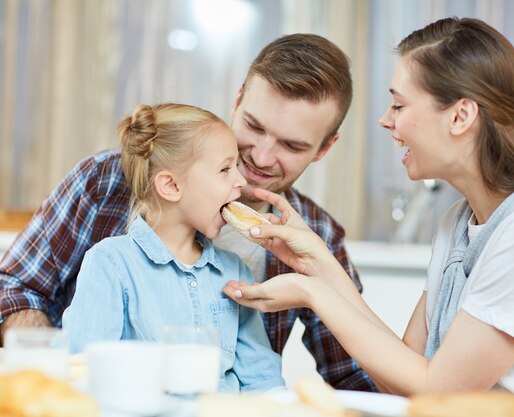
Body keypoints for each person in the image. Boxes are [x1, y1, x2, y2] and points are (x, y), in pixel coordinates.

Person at [223, 17, 514, 408]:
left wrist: (311, 291)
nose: (385, 120)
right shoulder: (457, 225)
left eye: (398, 105)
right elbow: (404, 373)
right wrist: (318, 263)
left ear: (460, 116)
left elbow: (437, 390)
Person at [0, 34, 376, 391]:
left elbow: (354, 376)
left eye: (292, 145)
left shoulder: (316, 237)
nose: (259, 158)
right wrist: (52, 381)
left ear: (325, 148)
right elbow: (14, 289)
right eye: (253, 126)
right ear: (237, 100)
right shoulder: (105, 183)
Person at [61, 103, 284, 392]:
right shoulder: (110, 264)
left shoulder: (235, 271)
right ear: (171, 186)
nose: (241, 182)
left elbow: (263, 380)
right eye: (225, 169)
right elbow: (85, 376)